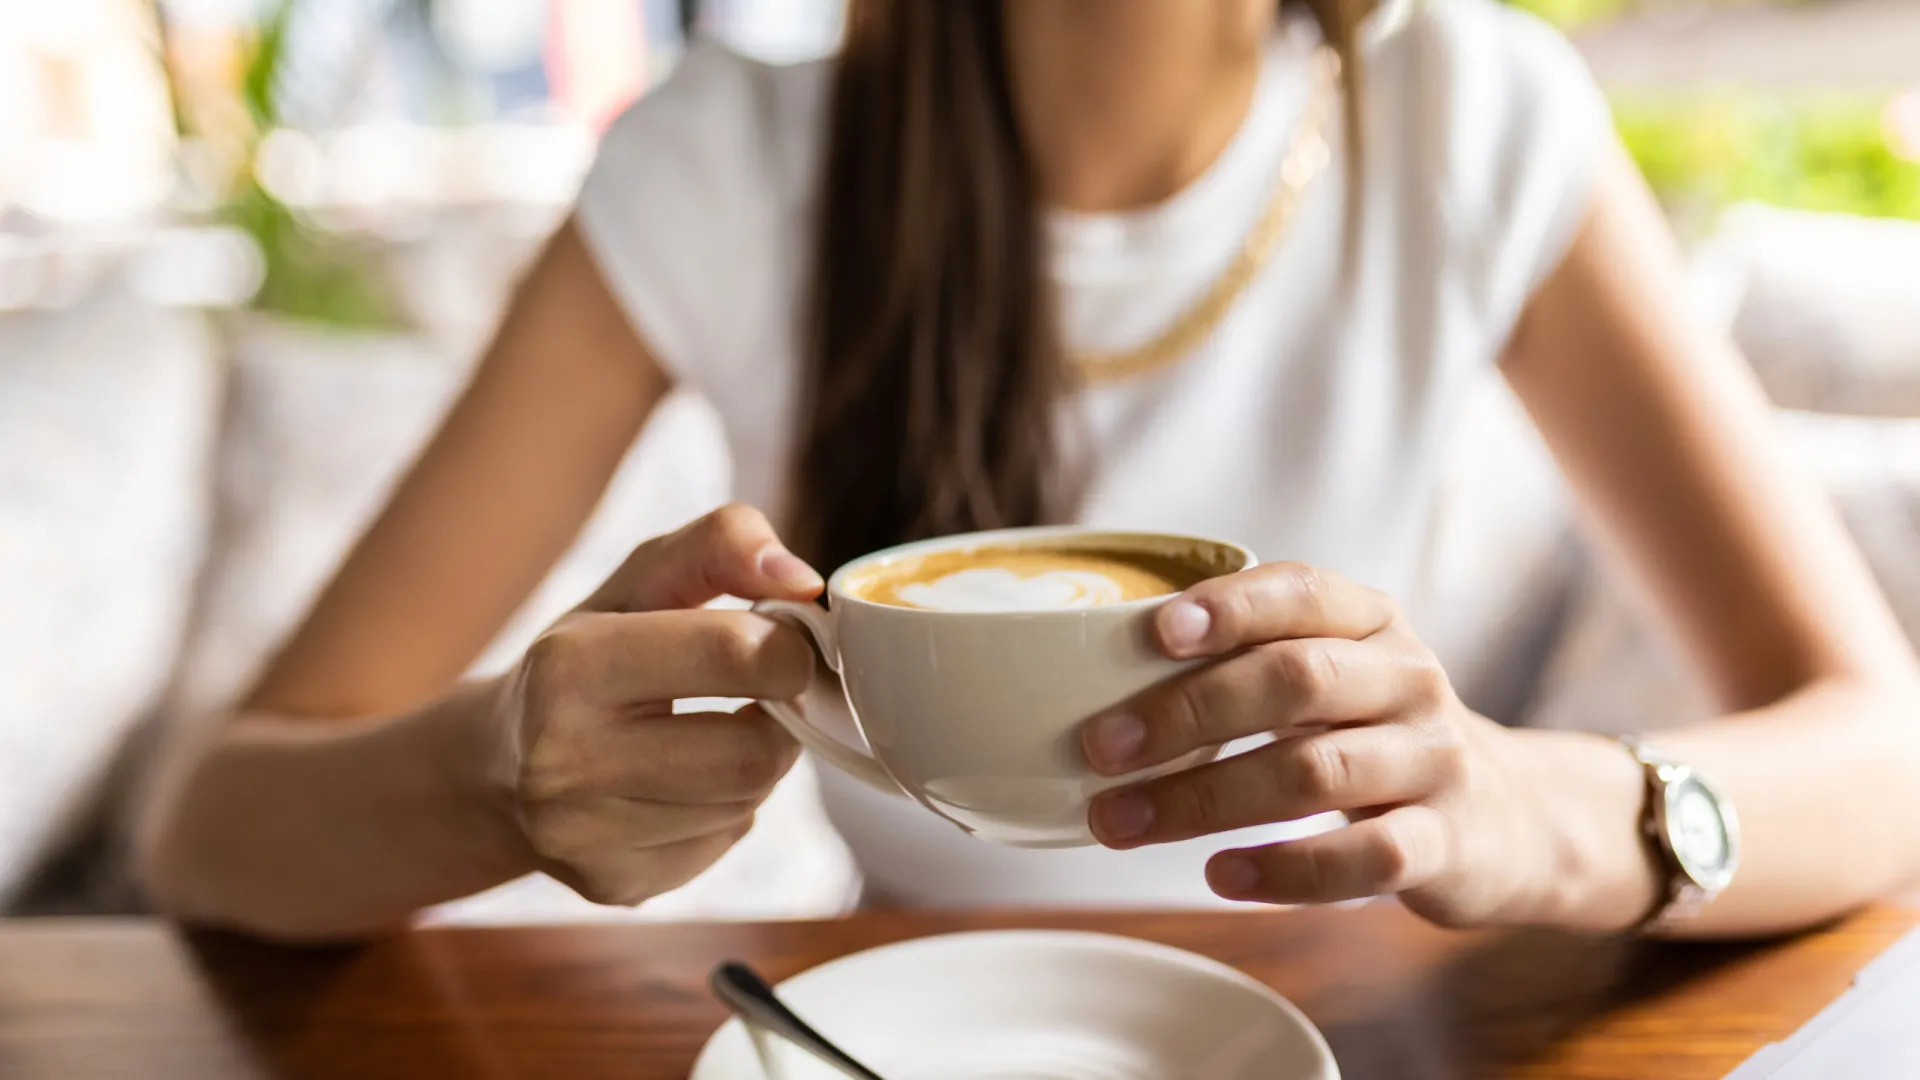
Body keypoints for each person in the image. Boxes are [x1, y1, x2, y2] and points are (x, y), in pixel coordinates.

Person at [138, 0, 1920, 943]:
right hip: (900, 1021)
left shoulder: (1467, 110)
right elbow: (216, 832)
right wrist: (494, 778)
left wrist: (1553, 814)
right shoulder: (728, 166)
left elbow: (1885, 747)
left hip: (1343, 1017)